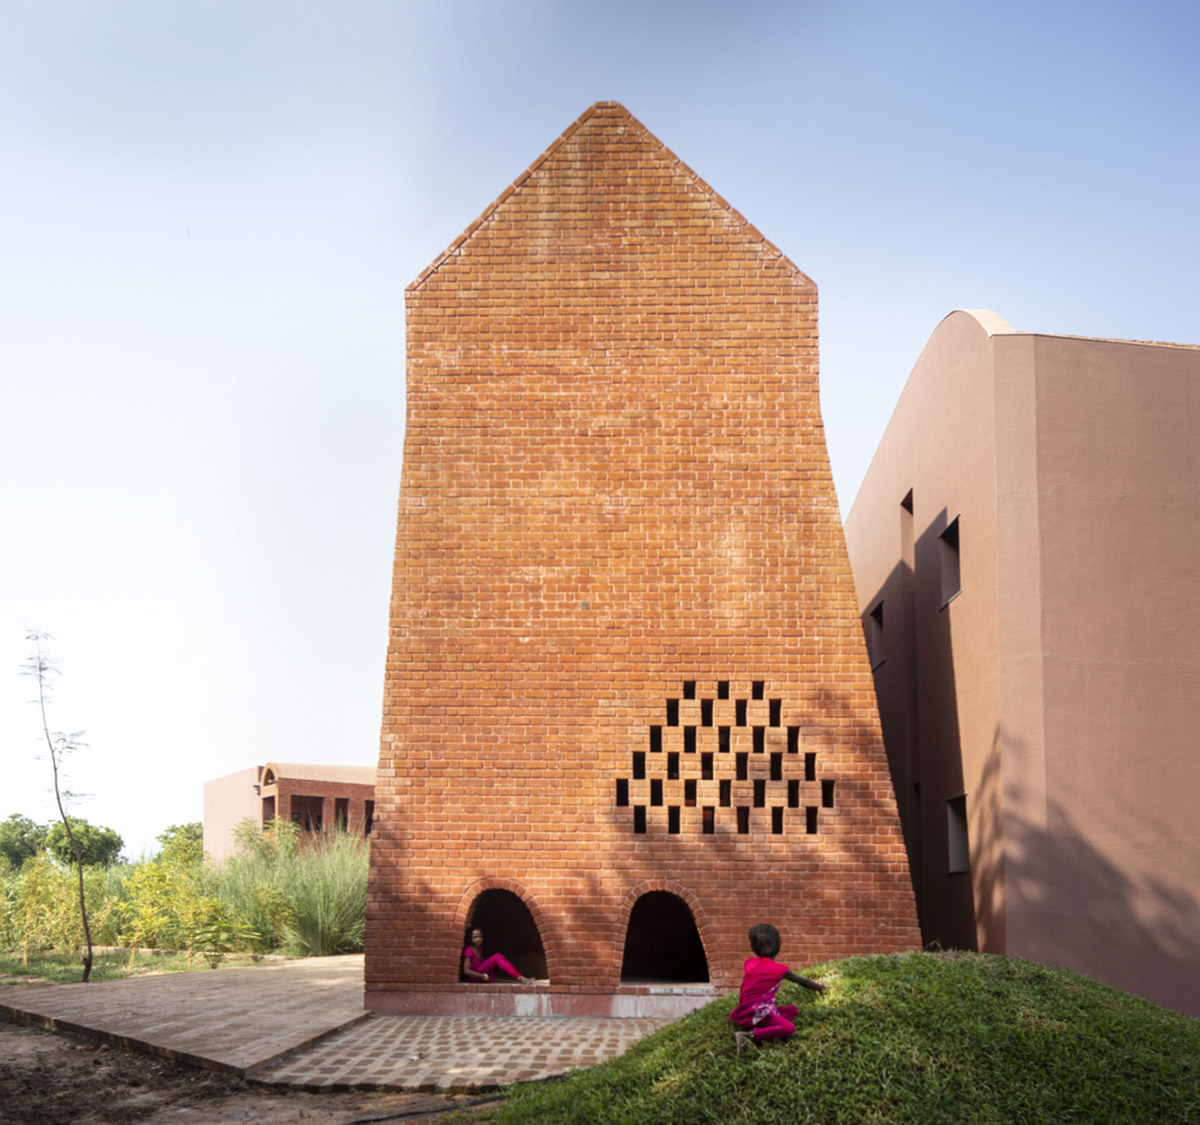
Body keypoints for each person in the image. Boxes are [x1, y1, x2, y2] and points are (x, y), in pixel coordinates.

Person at [729, 922, 827, 1054]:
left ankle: (760, 1026)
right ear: (777, 946)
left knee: (792, 1011)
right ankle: (748, 1036)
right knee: (788, 1028)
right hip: (757, 1015)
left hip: (745, 1012)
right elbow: (803, 981)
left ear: (753, 946)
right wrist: (819, 987)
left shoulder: (749, 963)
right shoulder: (780, 970)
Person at [461, 926, 536, 984]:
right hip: (474, 978)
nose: (478, 939)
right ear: (469, 939)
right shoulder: (469, 950)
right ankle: (520, 978)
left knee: (496, 960)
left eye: (480, 937)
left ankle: (518, 977)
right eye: (475, 937)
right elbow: (466, 971)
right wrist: (482, 976)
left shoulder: (479, 948)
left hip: (480, 975)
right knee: (497, 956)